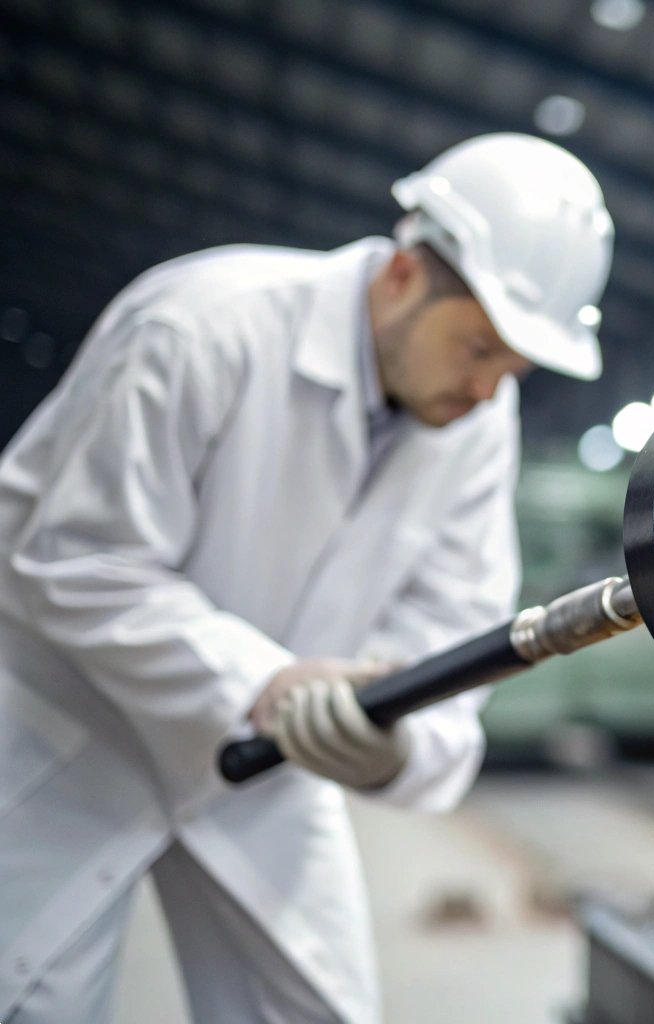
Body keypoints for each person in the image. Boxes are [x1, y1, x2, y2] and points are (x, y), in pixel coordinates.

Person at [0, 133, 614, 1022]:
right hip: (73, 719)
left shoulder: (477, 418)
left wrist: (393, 737)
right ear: (404, 275)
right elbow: (83, 563)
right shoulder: (204, 326)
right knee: (33, 998)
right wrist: (263, 679)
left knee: (319, 1010)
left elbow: (451, 620)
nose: (488, 388)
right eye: (478, 347)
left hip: (269, 749)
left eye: (511, 366)